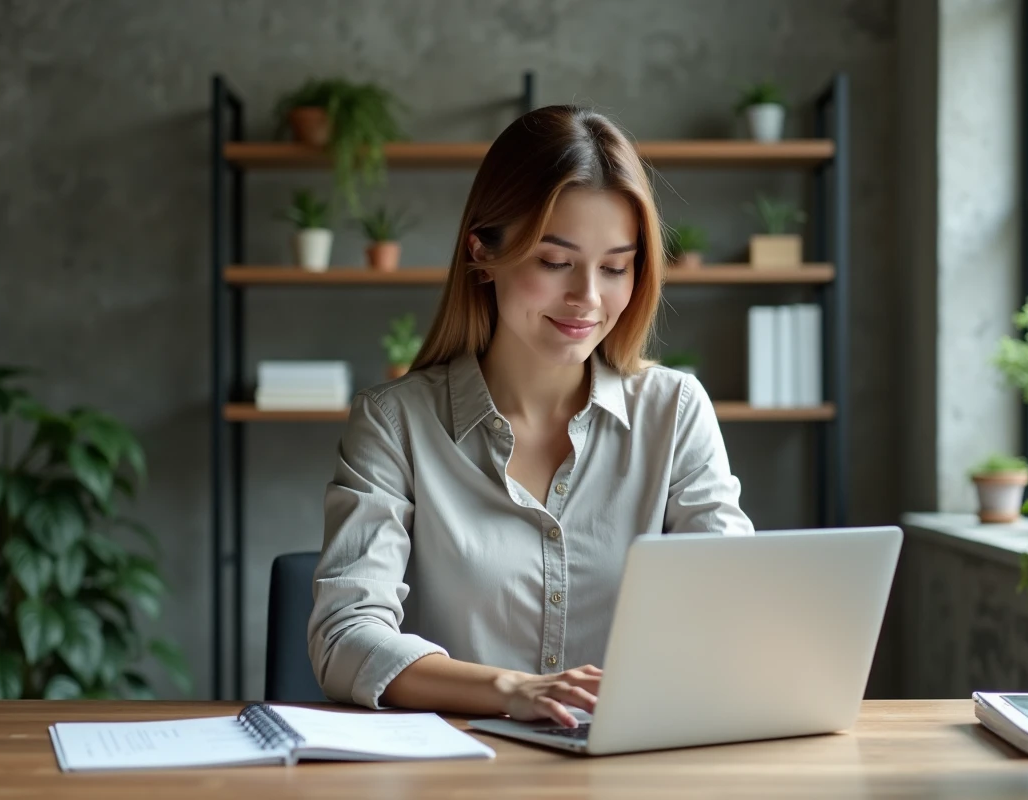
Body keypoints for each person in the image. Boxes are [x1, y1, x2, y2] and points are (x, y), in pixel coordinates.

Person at [308, 105, 753, 729]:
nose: (589, 299)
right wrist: (512, 689)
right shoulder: (395, 424)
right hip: (459, 776)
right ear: (482, 253)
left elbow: (734, 605)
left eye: (616, 267)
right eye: (553, 261)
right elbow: (345, 637)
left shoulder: (675, 412)